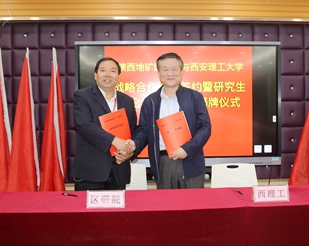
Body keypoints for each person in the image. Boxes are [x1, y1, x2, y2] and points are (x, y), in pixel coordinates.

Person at [129, 52, 211, 189]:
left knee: (194, 202)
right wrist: (133, 146)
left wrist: (187, 149)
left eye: (174, 69)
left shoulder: (194, 97)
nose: (170, 73)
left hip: (191, 160)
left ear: (181, 72)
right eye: (165, 69)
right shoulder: (150, 101)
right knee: (166, 202)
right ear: (159, 73)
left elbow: (205, 127)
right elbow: (144, 131)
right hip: (163, 163)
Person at [72, 57, 137, 190]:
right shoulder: (82, 96)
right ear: (95, 75)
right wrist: (115, 141)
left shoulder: (127, 101)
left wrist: (130, 152)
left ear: (118, 76)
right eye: (103, 70)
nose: (108, 74)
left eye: (112, 71)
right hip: (90, 171)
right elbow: (84, 126)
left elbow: (133, 131)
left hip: (119, 170)